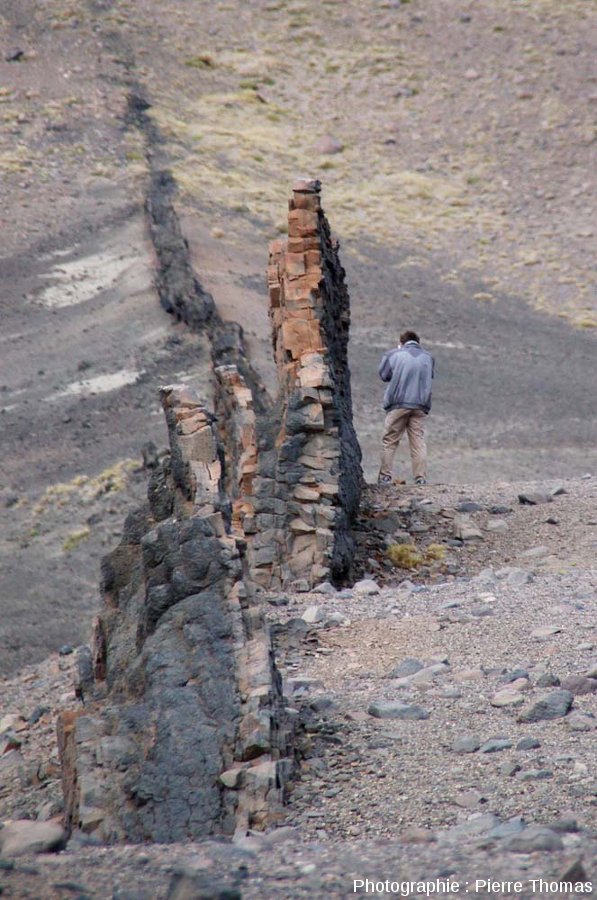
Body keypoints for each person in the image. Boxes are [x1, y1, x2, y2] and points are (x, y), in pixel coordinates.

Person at [377, 330, 435, 485]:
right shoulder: (428, 358)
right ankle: (420, 478)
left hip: (399, 404)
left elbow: (384, 375)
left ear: (401, 342)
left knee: (390, 440)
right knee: (418, 441)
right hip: (420, 405)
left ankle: (385, 477)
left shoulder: (393, 354)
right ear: (418, 342)